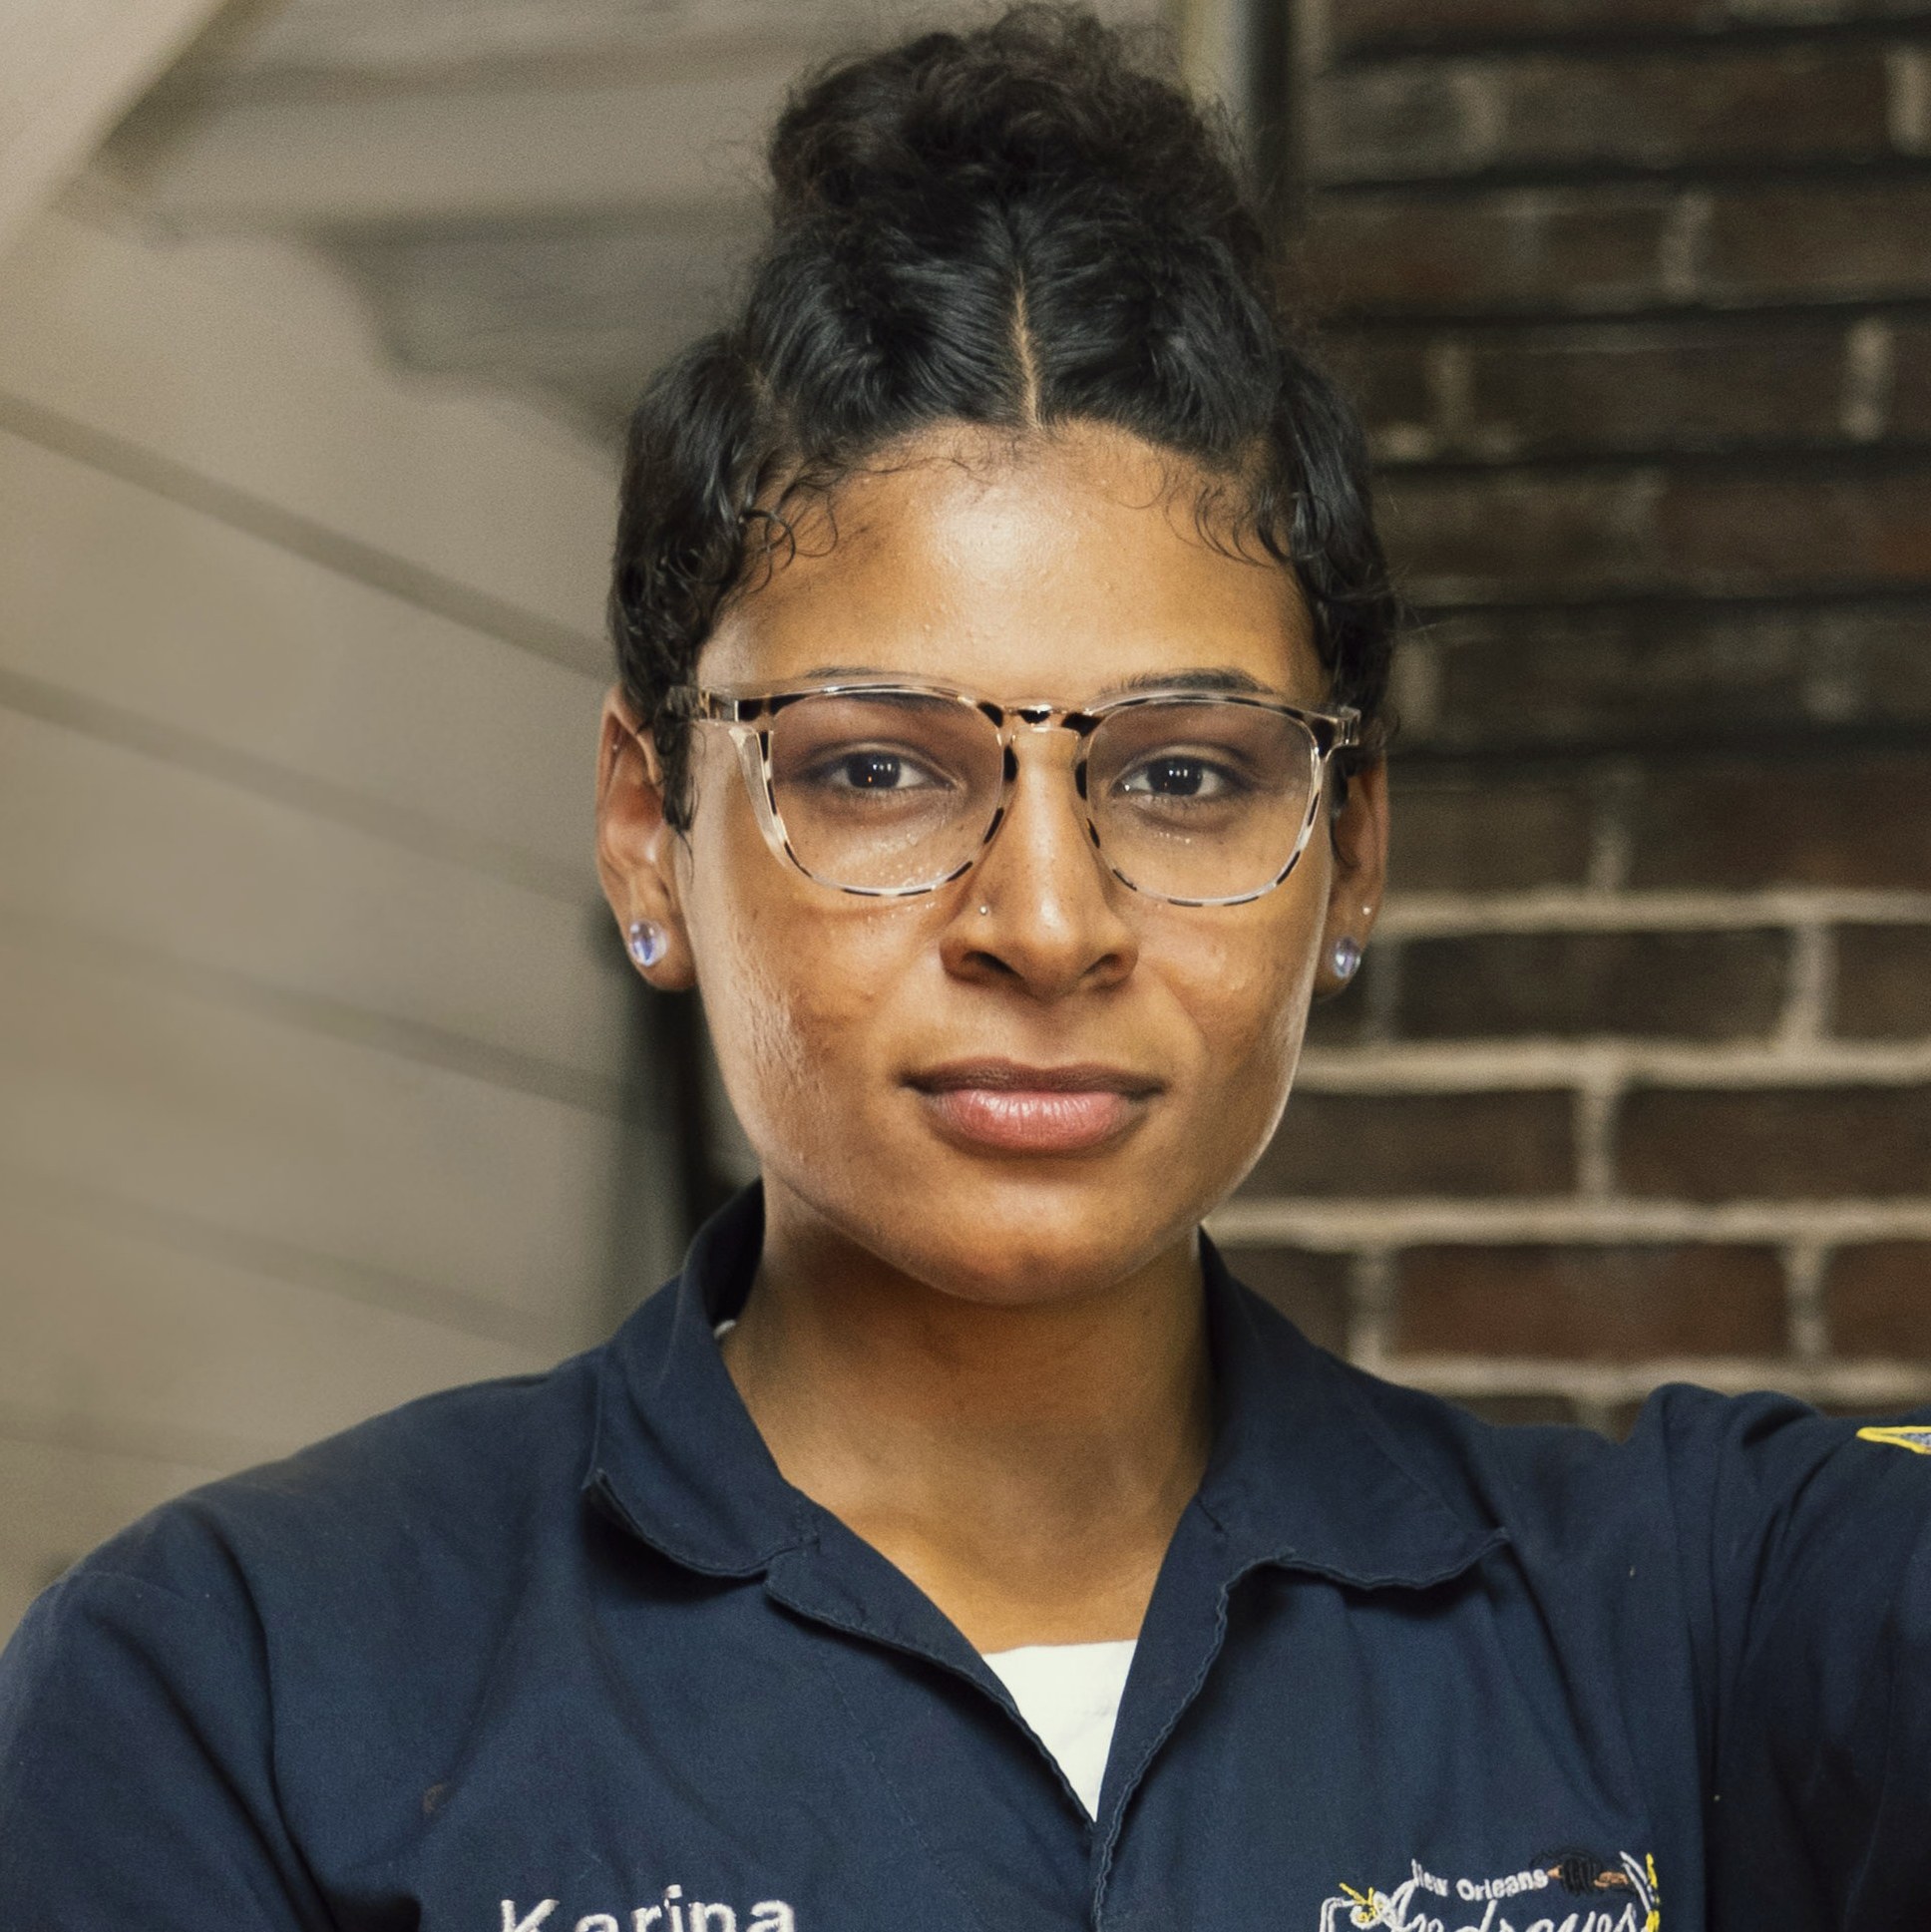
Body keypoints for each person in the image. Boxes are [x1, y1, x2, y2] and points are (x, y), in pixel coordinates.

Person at [1, 8, 1927, 1930]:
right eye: (875, 767)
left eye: (1179, 773)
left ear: (1351, 851)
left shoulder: (1707, 1607)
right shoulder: (236, 1684)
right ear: (643, 823)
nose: (1049, 920)